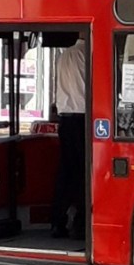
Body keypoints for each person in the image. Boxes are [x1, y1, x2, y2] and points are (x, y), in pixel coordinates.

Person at [50, 37, 86, 239]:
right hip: (83, 118)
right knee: (84, 173)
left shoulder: (63, 55)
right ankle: (81, 224)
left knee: (66, 172)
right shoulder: (88, 54)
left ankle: (58, 221)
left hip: (65, 119)